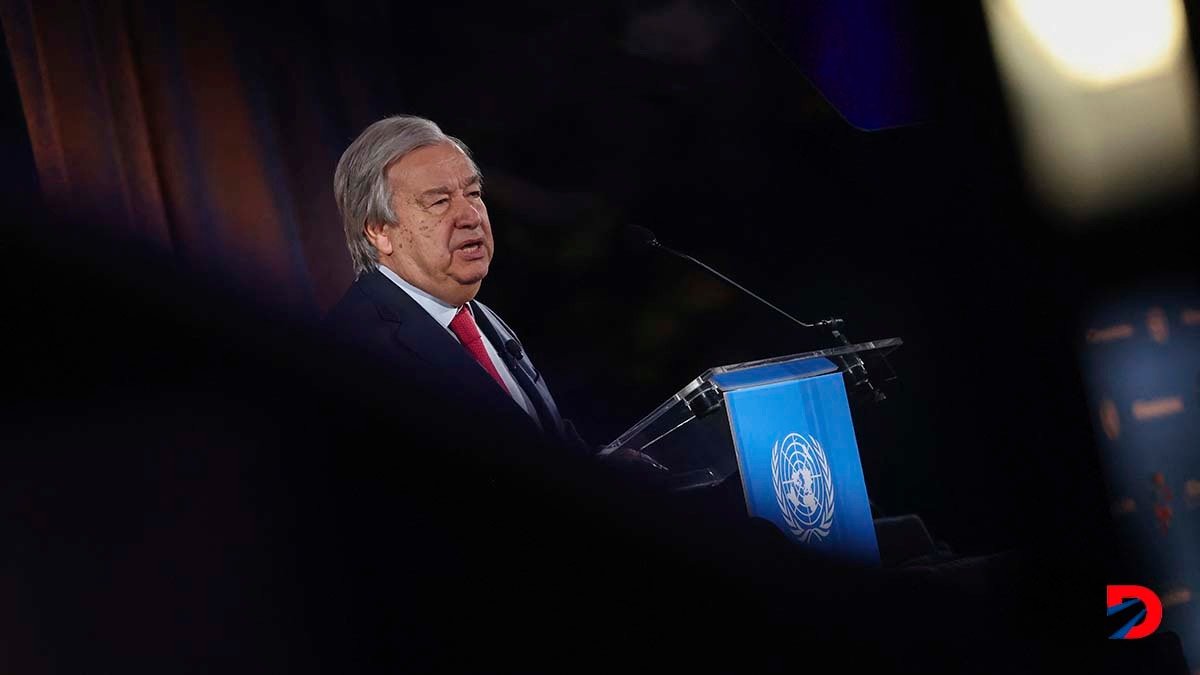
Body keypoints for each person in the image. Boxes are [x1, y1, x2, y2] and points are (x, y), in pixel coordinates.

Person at [323, 115, 588, 457]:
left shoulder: (478, 316)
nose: (472, 215)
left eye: (473, 193)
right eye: (439, 201)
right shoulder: (356, 351)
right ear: (379, 230)